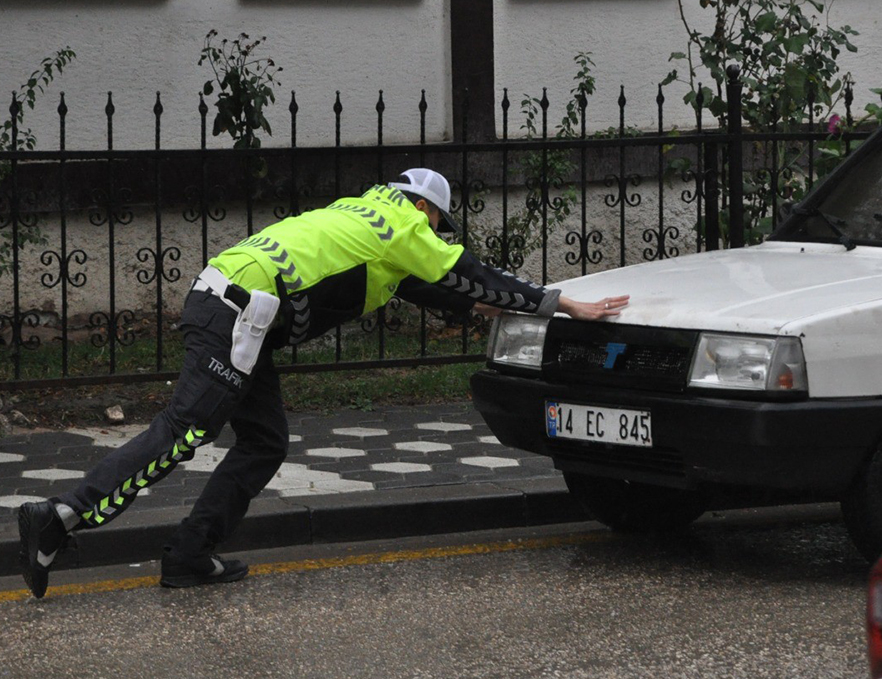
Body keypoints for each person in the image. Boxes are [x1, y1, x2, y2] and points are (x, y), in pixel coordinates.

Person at [17, 168, 629, 598]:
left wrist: (495, 309)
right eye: (439, 221)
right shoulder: (403, 222)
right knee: (184, 431)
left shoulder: (363, 219)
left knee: (264, 441)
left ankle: (187, 555)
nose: (439, 232)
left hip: (237, 306)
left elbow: (447, 291)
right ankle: (62, 515)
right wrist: (561, 304)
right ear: (426, 209)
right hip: (239, 310)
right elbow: (467, 271)